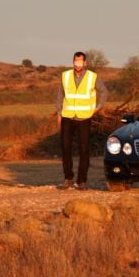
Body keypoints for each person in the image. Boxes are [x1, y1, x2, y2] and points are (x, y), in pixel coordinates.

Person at [56, 51, 108, 190]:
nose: (77, 64)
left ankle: (82, 181)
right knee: (65, 147)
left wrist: (97, 108)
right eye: (75, 61)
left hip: (84, 117)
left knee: (84, 149)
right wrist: (59, 113)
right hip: (67, 116)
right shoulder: (65, 76)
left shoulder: (92, 77)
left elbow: (104, 92)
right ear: (73, 62)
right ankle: (68, 179)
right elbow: (60, 94)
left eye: (80, 62)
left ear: (84, 63)